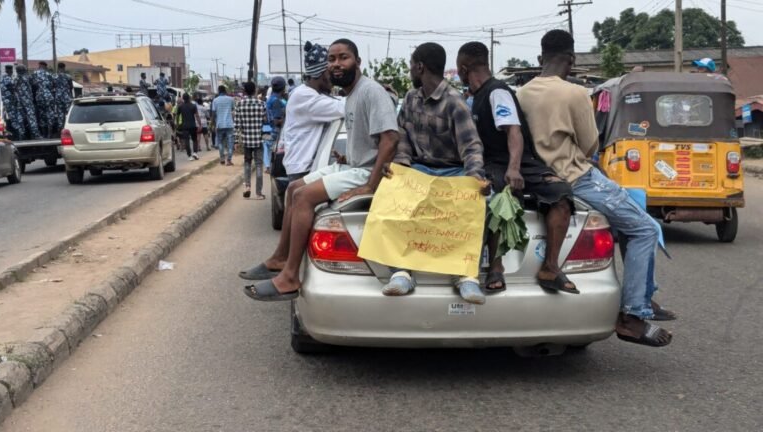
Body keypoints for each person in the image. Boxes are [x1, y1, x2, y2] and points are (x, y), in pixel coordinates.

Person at [517, 29, 672, 347]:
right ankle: (632, 315)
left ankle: (641, 295)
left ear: (539, 59)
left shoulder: (522, 93)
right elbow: (589, 145)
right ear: (571, 61)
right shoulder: (574, 94)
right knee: (644, 228)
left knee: (634, 207)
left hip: (539, 178)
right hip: (577, 177)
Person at [241, 38, 399, 301]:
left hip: (366, 172)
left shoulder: (371, 91)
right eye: (332, 59)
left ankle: (290, 276)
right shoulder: (351, 95)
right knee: (293, 188)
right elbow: (368, 140)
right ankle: (280, 259)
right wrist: (347, 156)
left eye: (343, 58)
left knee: (304, 197)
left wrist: (370, 184)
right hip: (351, 164)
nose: (336, 64)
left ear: (358, 62)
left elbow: (390, 139)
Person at [457, 41, 577, 295]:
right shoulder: (473, 98)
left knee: (561, 193)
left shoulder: (496, 92)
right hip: (491, 165)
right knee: (499, 194)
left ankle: (550, 268)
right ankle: (496, 267)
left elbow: (513, 130)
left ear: (464, 68)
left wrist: (514, 168)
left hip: (518, 161)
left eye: (459, 70)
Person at [383, 42, 489, 304]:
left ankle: (465, 276)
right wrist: (402, 168)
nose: (410, 69)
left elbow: (472, 146)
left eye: (411, 65)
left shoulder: (455, 103)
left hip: (452, 171)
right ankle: (401, 271)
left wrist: (475, 176)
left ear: (420, 67)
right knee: (393, 199)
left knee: (478, 209)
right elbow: (403, 137)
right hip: (418, 169)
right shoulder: (410, 98)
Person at [281, 41, 345, 181]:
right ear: (322, 74)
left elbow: (337, 102)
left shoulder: (310, 94)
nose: (333, 80)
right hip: (302, 170)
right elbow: (343, 108)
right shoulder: (304, 97)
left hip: (305, 167)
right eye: (331, 75)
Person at [235, 81, 267, 199]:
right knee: (259, 165)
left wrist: (235, 142)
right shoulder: (261, 104)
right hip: (258, 139)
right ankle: (258, 193)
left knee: (247, 163)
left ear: (244, 91)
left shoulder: (240, 105)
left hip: (246, 140)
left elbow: (237, 124)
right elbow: (265, 120)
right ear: (254, 91)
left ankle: (247, 186)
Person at [31, 61, 57, 137]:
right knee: (50, 115)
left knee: (42, 115)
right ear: (45, 66)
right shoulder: (49, 74)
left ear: (39, 65)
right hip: (48, 97)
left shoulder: (34, 74)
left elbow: (32, 85)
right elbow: (53, 85)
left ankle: (43, 134)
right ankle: (49, 134)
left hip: (39, 97)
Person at [14, 65, 41, 140]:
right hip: (28, 101)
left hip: (19, 102)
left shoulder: (15, 79)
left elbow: (14, 90)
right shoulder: (28, 77)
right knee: (31, 118)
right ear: (24, 70)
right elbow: (36, 85)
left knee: (20, 119)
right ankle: (36, 135)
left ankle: (21, 135)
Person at [212, 85, 236, 165]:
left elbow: (213, 113)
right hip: (229, 124)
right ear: (225, 91)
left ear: (218, 91)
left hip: (219, 124)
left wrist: (213, 124)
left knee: (220, 142)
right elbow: (233, 110)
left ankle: (222, 158)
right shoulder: (231, 99)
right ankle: (229, 160)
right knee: (230, 143)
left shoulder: (215, 100)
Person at [0, 65, 24, 140]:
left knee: (9, 117)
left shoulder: (3, 78)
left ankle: (13, 133)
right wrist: (16, 89)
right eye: (10, 70)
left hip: (7, 101)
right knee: (14, 118)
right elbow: (11, 88)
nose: (11, 72)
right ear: (10, 71)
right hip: (10, 101)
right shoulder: (7, 78)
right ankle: (16, 136)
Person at [176, 93, 202, 160]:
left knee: (186, 140)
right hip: (193, 125)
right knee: (194, 140)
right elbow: (197, 116)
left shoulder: (180, 106)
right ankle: (195, 153)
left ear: (183, 98)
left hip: (184, 126)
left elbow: (177, 116)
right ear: (189, 98)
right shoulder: (193, 106)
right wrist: (200, 124)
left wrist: (177, 124)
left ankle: (189, 155)